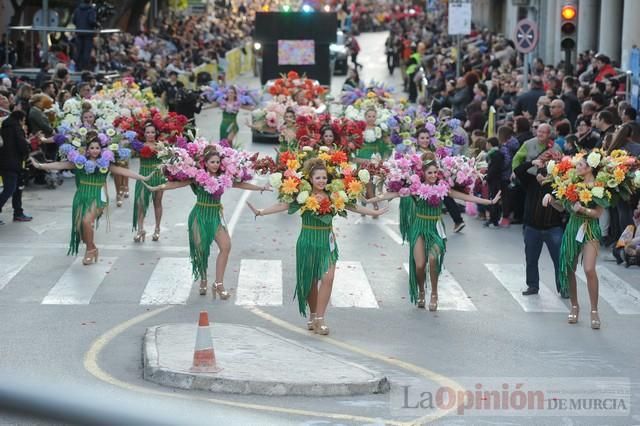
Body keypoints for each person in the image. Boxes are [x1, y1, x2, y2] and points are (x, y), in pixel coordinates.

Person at [247, 158, 386, 335]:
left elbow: (353, 207)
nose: (321, 181)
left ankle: (320, 319)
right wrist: (261, 212)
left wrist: (374, 211)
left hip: (327, 241)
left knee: (328, 278)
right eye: (318, 178)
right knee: (311, 281)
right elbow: (283, 205)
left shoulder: (335, 195)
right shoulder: (301, 195)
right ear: (310, 179)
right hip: (307, 239)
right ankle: (313, 315)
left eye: (324, 178)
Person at [368, 152, 500, 311]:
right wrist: (369, 200)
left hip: (435, 228)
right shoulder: (415, 188)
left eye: (435, 172)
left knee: (432, 260)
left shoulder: (444, 188)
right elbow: (392, 194)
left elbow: (467, 197)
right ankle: (422, 292)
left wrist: (490, 201)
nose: (432, 175)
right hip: (418, 227)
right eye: (429, 172)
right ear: (423, 174)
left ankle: (434, 294)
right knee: (419, 265)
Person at [145, 146, 271, 297]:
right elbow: (177, 184)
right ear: (205, 162)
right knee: (201, 250)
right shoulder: (197, 177)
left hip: (214, 216)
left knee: (226, 246)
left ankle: (218, 284)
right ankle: (203, 278)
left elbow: (240, 184)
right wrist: (158, 187)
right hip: (199, 216)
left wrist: (261, 188)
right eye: (212, 162)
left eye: (218, 161)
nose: (216, 164)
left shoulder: (225, 176)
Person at [30, 134, 148, 264]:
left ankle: (89, 251)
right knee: (81, 228)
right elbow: (59, 165)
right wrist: (40, 166)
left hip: (98, 196)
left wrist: (142, 178)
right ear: (87, 150)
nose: (95, 150)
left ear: (101, 150)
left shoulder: (106, 163)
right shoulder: (78, 162)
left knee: (87, 221)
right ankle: (92, 247)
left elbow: (122, 171)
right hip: (81, 195)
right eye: (92, 148)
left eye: (97, 147)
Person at [543, 156, 603, 329]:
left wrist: (584, 209)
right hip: (573, 228)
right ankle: (574, 306)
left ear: (590, 168)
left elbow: (599, 213)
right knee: (569, 267)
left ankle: (594, 311)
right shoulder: (571, 184)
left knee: (589, 269)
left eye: (581, 165)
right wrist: (551, 198)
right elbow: (562, 207)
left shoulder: (599, 187)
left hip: (590, 228)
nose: (577, 168)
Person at [132, 122, 166, 242]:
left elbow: (167, 160)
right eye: (148, 132)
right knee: (141, 203)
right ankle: (140, 230)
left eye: (152, 132)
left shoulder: (162, 145)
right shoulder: (139, 146)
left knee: (157, 202)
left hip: (158, 176)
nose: (150, 134)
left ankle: (157, 229)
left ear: (156, 133)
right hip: (143, 175)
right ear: (144, 134)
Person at [0, 110, 32, 224]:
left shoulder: (4, 127)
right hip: (13, 163)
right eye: (23, 120)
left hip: (5, 163)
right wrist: (27, 151)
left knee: (17, 188)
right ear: (20, 119)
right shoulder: (16, 128)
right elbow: (21, 144)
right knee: (11, 189)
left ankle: (18, 212)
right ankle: (18, 213)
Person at [72, 0, 97, 71]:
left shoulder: (77, 9)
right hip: (88, 34)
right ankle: (85, 68)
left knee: (79, 50)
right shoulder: (91, 10)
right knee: (86, 51)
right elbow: (91, 20)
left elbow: (74, 20)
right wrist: (96, 24)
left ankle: (78, 67)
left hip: (79, 33)